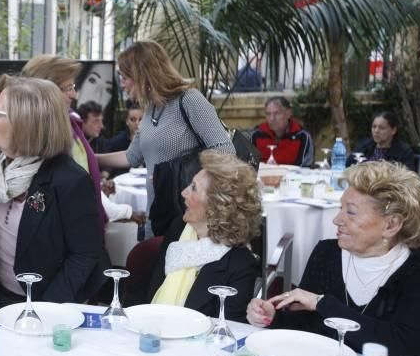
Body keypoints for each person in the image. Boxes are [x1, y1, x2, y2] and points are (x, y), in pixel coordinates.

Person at [246, 161, 420, 356]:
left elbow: (407, 347)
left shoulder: (415, 270)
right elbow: (307, 325)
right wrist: (272, 318)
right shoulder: (327, 253)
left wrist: (323, 304)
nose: (336, 220)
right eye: (340, 208)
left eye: (351, 212)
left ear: (391, 225)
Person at [0, 76, 110, 309]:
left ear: (26, 123)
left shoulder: (70, 181)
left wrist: (43, 310)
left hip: (48, 304)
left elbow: (84, 256)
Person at [96, 41, 235, 235]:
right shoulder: (151, 109)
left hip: (190, 214)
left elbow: (225, 150)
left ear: (143, 74)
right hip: (158, 210)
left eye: (125, 76)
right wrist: (90, 157)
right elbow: (132, 156)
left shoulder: (189, 100)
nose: (122, 83)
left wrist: (186, 180)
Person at [130, 151, 261, 322]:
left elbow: (230, 329)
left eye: (193, 188)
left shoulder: (239, 265)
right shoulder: (179, 229)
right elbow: (150, 292)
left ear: (216, 206)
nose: (184, 192)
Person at [20, 55, 107, 231]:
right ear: (45, 90)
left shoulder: (72, 124)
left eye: (73, 87)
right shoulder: (32, 137)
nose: (74, 94)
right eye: (68, 88)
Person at [251, 96, 314, 167]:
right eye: (268, 114)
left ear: (288, 113)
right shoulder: (257, 134)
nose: (272, 119)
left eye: (277, 113)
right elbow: (249, 165)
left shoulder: (302, 136)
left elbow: (306, 168)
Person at [346, 111, 415, 171]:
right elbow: (348, 166)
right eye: (374, 127)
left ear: (393, 130)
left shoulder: (403, 151)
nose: (376, 131)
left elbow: (408, 179)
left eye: (381, 128)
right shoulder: (363, 146)